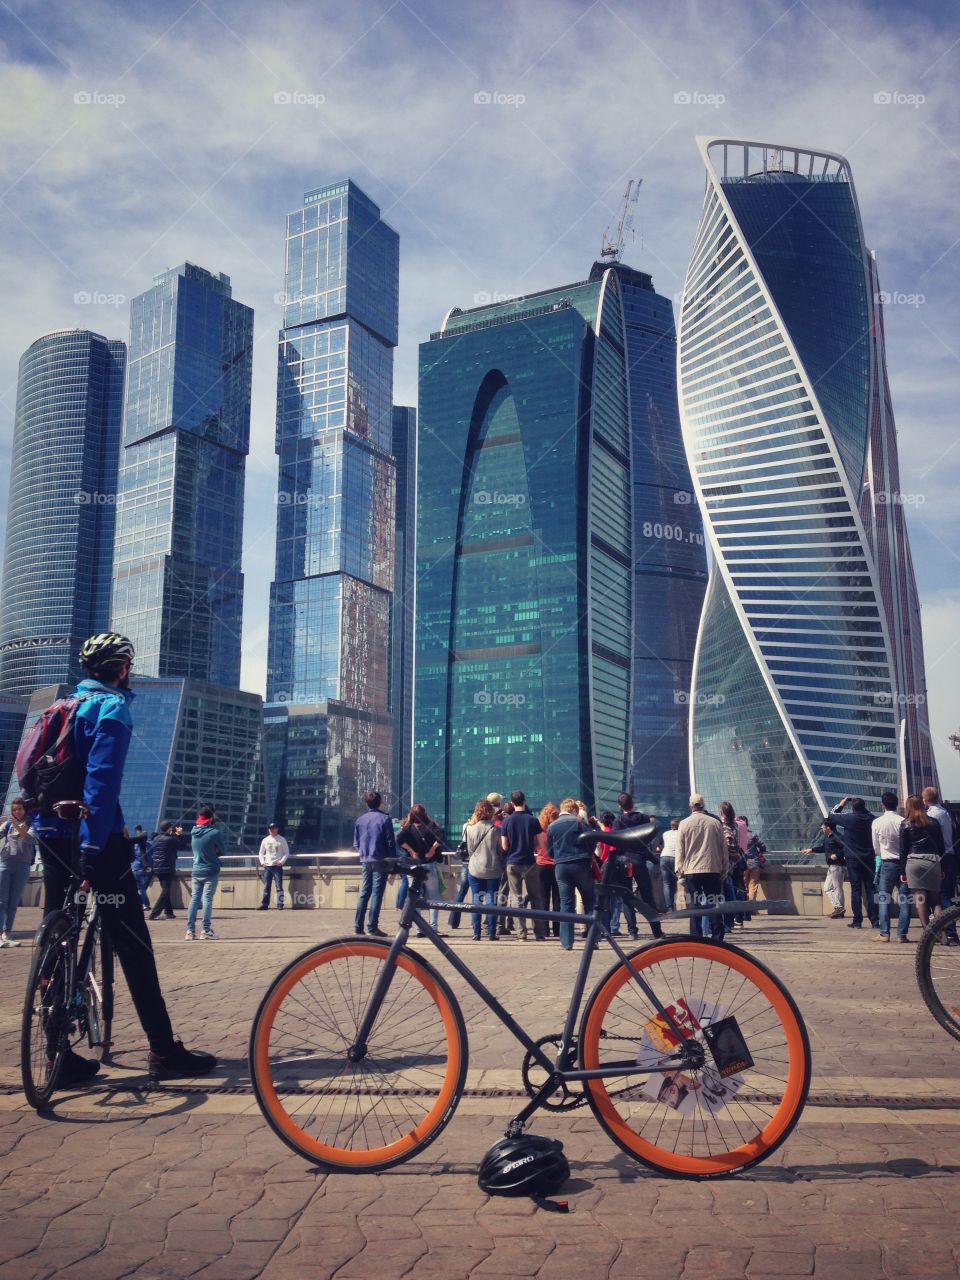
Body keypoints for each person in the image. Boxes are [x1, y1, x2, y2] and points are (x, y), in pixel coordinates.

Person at [36, 633, 215, 1085]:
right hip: (96, 841)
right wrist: (95, 849)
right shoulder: (110, 708)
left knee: (56, 933)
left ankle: (56, 1050)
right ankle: (162, 1049)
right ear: (121, 669)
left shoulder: (59, 707)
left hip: (51, 835)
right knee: (133, 942)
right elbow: (102, 783)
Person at [675, 794, 727, 942]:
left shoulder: (684, 824)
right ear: (703, 805)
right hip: (712, 868)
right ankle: (717, 935)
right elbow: (723, 848)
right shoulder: (715, 823)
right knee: (715, 902)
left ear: (691, 806)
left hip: (692, 869)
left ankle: (695, 936)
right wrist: (724, 869)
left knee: (694, 903)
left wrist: (680, 871)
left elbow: (680, 850)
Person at [613, 793, 663, 939]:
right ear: (633, 804)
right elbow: (649, 838)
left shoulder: (619, 821)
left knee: (627, 895)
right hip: (640, 859)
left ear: (620, 806)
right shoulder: (644, 818)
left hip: (624, 861)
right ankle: (656, 930)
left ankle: (632, 931)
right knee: (648, 895)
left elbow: (615, 842)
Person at [500, 790, 546, 941]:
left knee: (517, 898)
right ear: (525, 801)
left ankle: (522, 934)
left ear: (512, 803)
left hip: (513, 863)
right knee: (535, 898)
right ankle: (539, 933)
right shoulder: (533, 820)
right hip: (530, 863)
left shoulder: (507, 821)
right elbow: (540, 844)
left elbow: (504, 846)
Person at [549, 798, 594, 951]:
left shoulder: (552, 826)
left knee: (565, 904)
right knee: (589, 901)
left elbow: (549, 850)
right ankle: (592, 940)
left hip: (561, 866)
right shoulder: (580, 822)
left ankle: (567, 942)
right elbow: (592, 841)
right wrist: (587, 854)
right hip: (580, 864)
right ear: (574, 810)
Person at [826, 796, 878, 929]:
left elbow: (831, 815)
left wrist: (842, 804)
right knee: (871, 889)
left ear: (853, 808)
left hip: (853, 858)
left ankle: (857, 921)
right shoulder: (871, 818)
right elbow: (867, 813)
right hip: (868, 857)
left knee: (856, 890)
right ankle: (874, 920)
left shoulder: (849, 818)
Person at [353, 791, 397, 937]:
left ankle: (358, 927)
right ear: (380, 802)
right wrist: (393, 864)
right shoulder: (385, 819)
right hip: (381, 860)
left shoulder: (359, 820)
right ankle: (372, 927)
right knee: (377, 894)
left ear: (367, 803)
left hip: (365, 859)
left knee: (364, 893)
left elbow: (356, 844)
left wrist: (364, 852)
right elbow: (390, 843)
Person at [899, 793, 945, 930]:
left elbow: (903, 850)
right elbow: (941, 847)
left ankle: (928, 934)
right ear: (922, 804)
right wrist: (942, 868)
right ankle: (942, 933)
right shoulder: (934, 822)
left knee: (920, 898)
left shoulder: (905, 824)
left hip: (914, 862)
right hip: (933, 860)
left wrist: (902, 871)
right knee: (936, 900)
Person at [397, 803, 445, 936]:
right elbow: (441, 836)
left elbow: (398, 839)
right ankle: (433, 928)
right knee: (434, 897)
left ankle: (419, 929)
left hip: (413, 867)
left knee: (415, 898)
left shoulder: (408, 828)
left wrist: (411, 851)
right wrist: (432, 850)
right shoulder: (431, 826)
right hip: (428, 865)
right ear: (424, 814)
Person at [465, 799, 503, 941]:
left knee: (476, 900)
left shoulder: (471, 829)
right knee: (492, 901)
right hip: (493, 868)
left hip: (475, 869)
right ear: (491, 812)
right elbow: (500, 851)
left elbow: (469, 851)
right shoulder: (496, 830)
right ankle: (492, 933)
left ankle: (477, 932)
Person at [925, 787, 959, 945]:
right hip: (951, 856)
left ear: (925, 800)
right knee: (948, 895)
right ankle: (949, 932)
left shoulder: (931, 815)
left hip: (941, 857)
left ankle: (951, 934)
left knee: (943, 895)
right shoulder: (945, 812)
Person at [0, 797, 36, 946]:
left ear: (25, 809)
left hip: (23, 865)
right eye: (14, 809)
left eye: (19, 809)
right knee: (1, 901)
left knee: (13, 902)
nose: (17, 812)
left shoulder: (31, 823)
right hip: (6, 862)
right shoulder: (8, 824)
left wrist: (17, 825)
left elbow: (29, 839)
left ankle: (7, 934)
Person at [872, 792, 907, 943]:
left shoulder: (877, 822)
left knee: (883, 897)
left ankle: (884, 933)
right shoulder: (903, 821)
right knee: (905, 899)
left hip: (887, 863)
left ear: (882, 805)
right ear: (897, 804)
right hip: (904, 864)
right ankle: (902, 935)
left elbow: (876, 848)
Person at [187, 806, 224, 940]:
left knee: (194, 899)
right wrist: (213, 852)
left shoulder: (193, 831)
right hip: (211, 870)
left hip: (196, 870)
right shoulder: (214, 832)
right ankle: (206, 930)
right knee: (207, 899)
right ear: (211, 817)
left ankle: (190, 931)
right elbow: (222, 851)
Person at [802, 821, 846, 918]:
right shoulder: (827, 837)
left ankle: (839, 910)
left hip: (838, 865)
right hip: (831, 866)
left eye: (823, 826)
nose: (822, 828)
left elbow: (846, 848)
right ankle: (839, 908)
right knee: (827, 888)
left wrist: (837, 855)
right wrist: (812, 850)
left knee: (837, 888)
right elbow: (823, 848)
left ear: (828, 827)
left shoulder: (837, 836)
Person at [719, 802, 746, 929]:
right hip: (735, 862)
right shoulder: (737, 825)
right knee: (732, 890)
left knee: (726, 891)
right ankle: (733, 920)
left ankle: (727, 923)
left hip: (726, 862)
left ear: (722, 812)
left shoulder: (724, 826)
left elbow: (728, 845)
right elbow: (742, 845)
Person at [536, 802, 561, 937]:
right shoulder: (557, 830)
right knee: (557, 899)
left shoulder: (539, 830)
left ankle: (544, 929)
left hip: (541, 865)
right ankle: (557, 929)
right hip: (556, 865)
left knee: (543, 899)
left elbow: (535, 846)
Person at [148, 821, 180, 920]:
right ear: (169, 828)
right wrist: (178, 835)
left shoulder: (156, 839)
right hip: (167, 868)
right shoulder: (170, 839)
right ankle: (154, 914)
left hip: (157, 868)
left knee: (165, 889)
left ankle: (169, 912)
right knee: (166, 891)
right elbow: (181, 845)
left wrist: (174, 834)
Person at [447, 810, 473, 930]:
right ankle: (475, 923)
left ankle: (453, 921)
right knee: (477, 894)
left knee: (462, 892)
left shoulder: (465, 826)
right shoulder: (477, 828)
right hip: (475, 863)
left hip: (465, 862)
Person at [257, 822, 289, 910]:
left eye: (273, 828)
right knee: (267, 886)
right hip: (267, 866)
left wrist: (281, 862)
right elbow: (261, 852)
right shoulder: (265, 840)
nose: (271, 830)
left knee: (279, 886)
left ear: (277, 829)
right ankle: (265, 904)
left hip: (277, 866)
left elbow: (286, 852)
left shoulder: (282, 839)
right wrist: (262, 862)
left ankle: (280, 904)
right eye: (270, 828)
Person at [129, 825, 152, 910]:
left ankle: (145, 904)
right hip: (148, 869)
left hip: (137, 868)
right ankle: (141, 903)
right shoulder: (149, 844)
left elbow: (131, 857)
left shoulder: (135, 846)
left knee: (140, 888)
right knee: (142, 888)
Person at [659, 819, 680, 911]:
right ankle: (676, 905)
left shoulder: (665, 833)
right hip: (675, 858)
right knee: (675, 882)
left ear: (671, 826)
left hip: (664, 857)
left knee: (666, 883)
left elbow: (660, 846)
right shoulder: (681, 833)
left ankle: (669, 908)